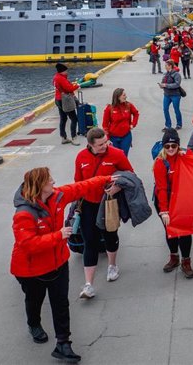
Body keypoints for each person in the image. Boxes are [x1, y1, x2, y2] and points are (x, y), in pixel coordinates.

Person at [11, 167, 119, 362]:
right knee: (34, 300)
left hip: (58, 263)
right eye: (48, 180)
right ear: (39, 186)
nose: (53, 181)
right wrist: (58, 236)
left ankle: (63, 343)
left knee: (61, 302)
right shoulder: (24, 214)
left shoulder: (58, 196)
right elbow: (27, 245)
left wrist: (107, 178)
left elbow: (82, 186)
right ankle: (34, 324)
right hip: (30, 270)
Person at [74, 128, 134, 299]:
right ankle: (88, 285)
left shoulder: (117, 154)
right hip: (88, 205)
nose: (105, 146)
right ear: (90, 145)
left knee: (109, 235)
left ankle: (112, 265)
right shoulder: (81, 157)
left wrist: (119, 186)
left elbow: (130, 174)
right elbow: (77, 181)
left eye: (106, 142)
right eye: (100, 145)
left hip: (108, 203)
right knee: (90, 242)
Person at [153, 129, 193, 278]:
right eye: (167, 146)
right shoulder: (160, 163)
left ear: (178, 146)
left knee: (185, 232)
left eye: (174, 145)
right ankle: (174, 257)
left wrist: (188, 154)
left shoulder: (185, 157)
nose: (170, 149)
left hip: (185, 201)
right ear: (163, 147)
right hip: (167, 202)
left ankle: (186, 261)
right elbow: (161, 188)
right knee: (171, 232)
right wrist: (164, 211)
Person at [102, 88, 139, 157]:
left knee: (124, 156)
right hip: (113, 137)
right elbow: (105, 125)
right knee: (115, 157)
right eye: (124, 95)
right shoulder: (109, 108)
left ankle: (124, 168)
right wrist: (107, 139)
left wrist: (133, 124)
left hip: (126, 136)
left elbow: (136, 114)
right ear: (118, 97)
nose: (126, 97)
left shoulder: (129, 105)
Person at [53, 63, 80, 145]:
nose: (67, 72)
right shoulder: (61, 78)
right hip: (65, 100)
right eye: (66, 70)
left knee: (63, 118)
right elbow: (69, 88)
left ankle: (63, 137)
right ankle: (74, 137)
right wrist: (77, 86)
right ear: (62, 71)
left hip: (58, 99)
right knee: (74, 119)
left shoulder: (55, 77)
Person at [159, 60, 183, 130]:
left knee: (176, 110)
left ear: (170, 66)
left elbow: (177, 84)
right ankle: (168, 125)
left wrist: (166, 85)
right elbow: (163, 82)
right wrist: (161, 85)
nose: (165, 67)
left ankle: (179, 124)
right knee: (165, 109)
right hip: (167, 95)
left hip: (175, 95)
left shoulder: (176, 74)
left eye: (166, 65)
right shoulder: (165, 74)